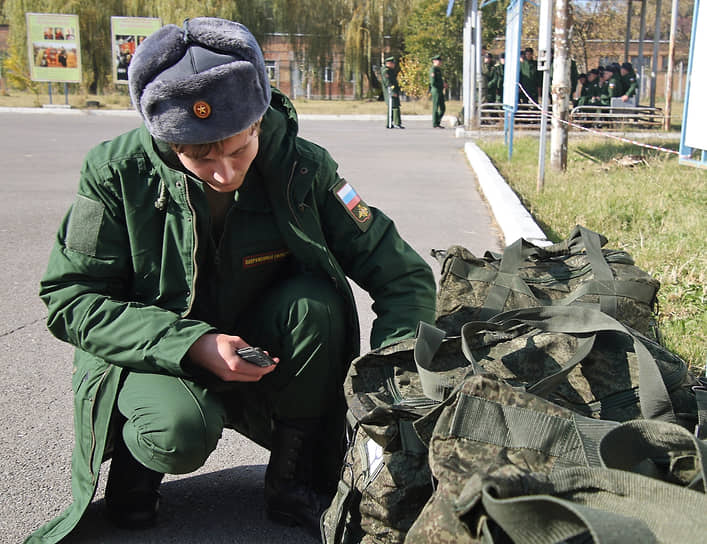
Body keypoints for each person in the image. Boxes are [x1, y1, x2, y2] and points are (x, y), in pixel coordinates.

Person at [27, 17, 436, 543]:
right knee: (177, 431)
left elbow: (400, 272)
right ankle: (136, 468)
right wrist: (192, 343)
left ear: (259, 121)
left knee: (316, 306)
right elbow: (70, 299)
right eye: (199, 156)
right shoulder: (115, 174)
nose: (223, 172)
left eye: (239, 149)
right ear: (166, 140)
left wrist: (395, 382)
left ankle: (295, 476)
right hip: (154, 351)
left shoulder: (302, 169)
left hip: (257, 339)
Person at [381, 55, 404, 129]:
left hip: (393, 91)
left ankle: (389, 123)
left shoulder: (390, 70)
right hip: (390, 92)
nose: (394, 65)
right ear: (389, 63)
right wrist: (393, 92)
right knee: (395, 107)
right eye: (393, 63)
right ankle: (397, 123)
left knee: (392, 107)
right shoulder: (386, 71)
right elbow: (388, 83)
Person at [429, 54, 446, 128]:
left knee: (443, 108)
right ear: (434, 61)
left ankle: (437, 121)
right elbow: (433, 82)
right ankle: (435, 123)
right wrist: (442, 85)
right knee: (436, 107)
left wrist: (443, 84)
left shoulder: (438, 69)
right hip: (435, 90)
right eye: (437, 61)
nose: (439, 62)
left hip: (440, 90)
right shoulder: (433, 69)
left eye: (440, 61)